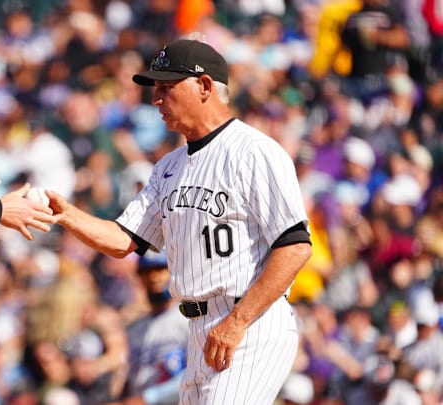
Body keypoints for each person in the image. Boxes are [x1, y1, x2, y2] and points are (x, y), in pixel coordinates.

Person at [46, 38, 312, 404]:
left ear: (204, 86)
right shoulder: (168, 167)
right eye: (156, 88)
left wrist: (237, 323)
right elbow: (125, 239)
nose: (156, 99)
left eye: (166, 87)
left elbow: (295, 246)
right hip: (200, 328)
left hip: (250, 322)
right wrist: (67, 214)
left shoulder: (255, 151)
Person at [122, 249, 188, 405]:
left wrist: (147, 399)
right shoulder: (135, 328)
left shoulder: (189, 318)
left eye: (160, 269)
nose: (153, 277)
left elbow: (196, 373)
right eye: (147, 271)